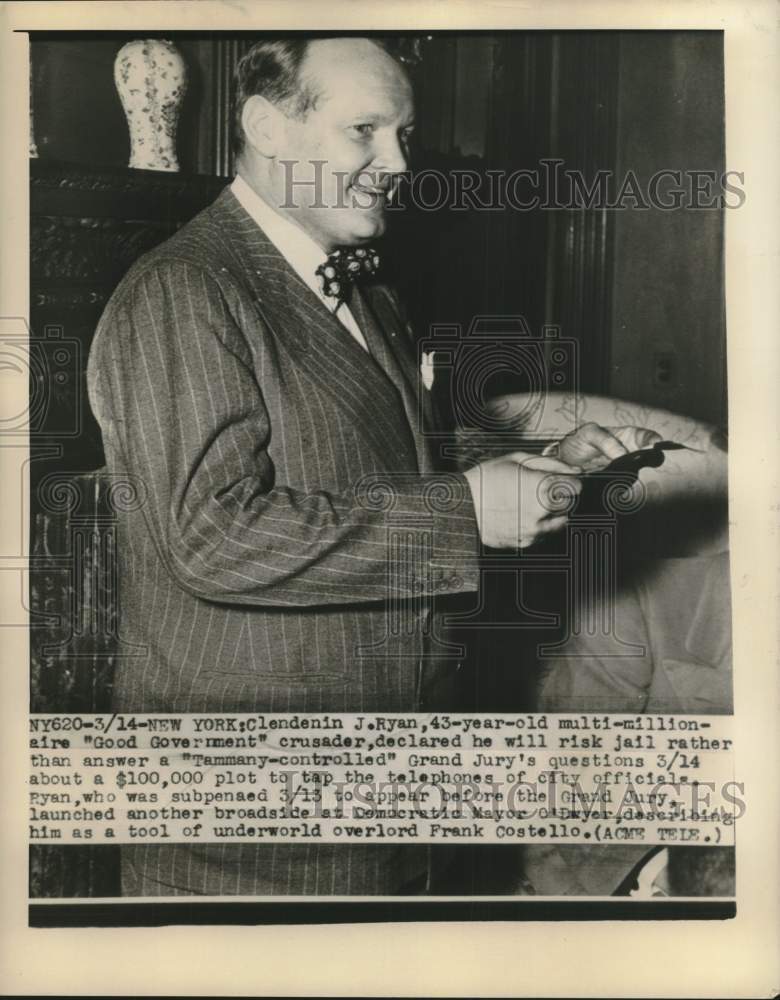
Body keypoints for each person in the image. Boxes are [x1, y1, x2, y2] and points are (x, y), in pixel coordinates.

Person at [87, 35, 648, 896]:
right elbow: (210, 536)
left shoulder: (367, 291)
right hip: (248, 837)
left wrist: (528, 463)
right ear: (268, 127)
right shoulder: (185, 290)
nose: (397, 163)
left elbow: (373, 457)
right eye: (365, 131)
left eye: (406, 135)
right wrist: (466, 514)